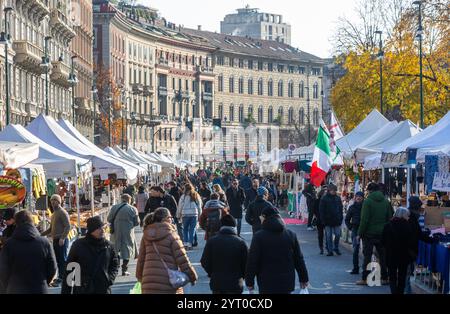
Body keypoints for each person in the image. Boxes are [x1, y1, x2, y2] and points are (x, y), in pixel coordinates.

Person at [245, 207, 309, 294]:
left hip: (266, 282)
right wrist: (303, 278)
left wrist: (249, 281)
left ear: (265, 218)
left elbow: (252, 261)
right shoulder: (290, 235)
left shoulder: (258, 236)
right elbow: (298, 259)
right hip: (286, 282)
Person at [136, 208, 197, 294]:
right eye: (170, 217)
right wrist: (192, 276)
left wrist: (139, 277)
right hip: (168, 282)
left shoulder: (146, 235)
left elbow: (141, 259)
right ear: (165, 219)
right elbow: (182, 258)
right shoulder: (172, 235)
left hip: (148, 283)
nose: (171, 219)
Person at [0, 210, 57, 294]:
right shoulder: (44, 243)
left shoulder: (9, 244)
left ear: (16, 223)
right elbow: (52, 268)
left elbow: (3, 270)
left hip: (15, 289)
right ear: (32, 222)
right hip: (39, 288)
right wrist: (43, 282)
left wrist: (9, 286)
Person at [61, 216, 119, 294]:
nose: (102, 230)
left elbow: (115, 264)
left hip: (102, 288)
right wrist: (66, 291)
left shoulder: (109, 246)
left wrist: (109, 279)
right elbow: (70, 268)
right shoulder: (78, 245)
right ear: (92, 230)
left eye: (103, 228)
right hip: (83, 289)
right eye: (99, 228)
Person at [201, 215, 248, 294]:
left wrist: (212, 273)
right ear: (234, 227)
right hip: (235, 283)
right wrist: (241, 276)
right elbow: (246, 264)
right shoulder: (241, 243)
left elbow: (204, 261)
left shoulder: (212, 241)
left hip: (217, 283)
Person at [357, 183, 393, 286]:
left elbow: (364, 219)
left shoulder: (367, 202)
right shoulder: (386, 202)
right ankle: (385, 278)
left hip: (369, 234)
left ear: (369, 191)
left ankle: (365, 278)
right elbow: (389, 218)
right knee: (383, 256)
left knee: (367, 256)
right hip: (382, 233)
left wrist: (360, 233)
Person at [381, 207, 416, 294]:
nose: (408, 217)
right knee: (402, 277)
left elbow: (382, 241)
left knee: (392, 276)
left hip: (391, 255)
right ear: (404, 215)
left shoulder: (387, 225)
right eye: (407, 216)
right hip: (403, 256)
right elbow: (412, 242)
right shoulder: (408, 226)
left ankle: (393, 292)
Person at [41, 194, 71, 287]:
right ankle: (60, 277)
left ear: (59, 201)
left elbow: (68, 226)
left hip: (61, 240)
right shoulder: (54, 214)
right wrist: (40, 234)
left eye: (55, 200)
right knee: (58, 259)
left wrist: (62, 238)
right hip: (55, 239)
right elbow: (50, 229)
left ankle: (62, 278)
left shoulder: (62, 212)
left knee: (62, 259)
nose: (53, 202)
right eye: (52, 200)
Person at [107, 193, 140, 276]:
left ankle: (116, 268)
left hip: (116, 231)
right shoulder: (133, 209)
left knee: (115, 249)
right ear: (130, 200)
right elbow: (137, 222)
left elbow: (109, 219)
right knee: (127, 249)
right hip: (128, 231)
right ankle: (124, 269)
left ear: (121, 199)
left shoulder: (114, 207)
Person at [319, 184, 344, 256]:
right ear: (329, 190)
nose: (334, 192)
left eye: (335, 190)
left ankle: (336, 247)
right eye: (333, 190)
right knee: (328, 236)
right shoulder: (324, 198)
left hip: (336, 220)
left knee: (338, 234)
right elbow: (321, 210)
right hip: (327, 220)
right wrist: (323, 220)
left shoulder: (338, 198)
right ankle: (330, 250)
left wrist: (340, 217)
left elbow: (340, 208)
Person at [177, 184, 202, 250]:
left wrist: (178, 215)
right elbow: (199, 206)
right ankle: (190, 244)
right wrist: (200, 214)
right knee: (192, 229)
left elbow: (180, 206)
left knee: (185, 229)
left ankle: (185, 244)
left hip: (185, 214)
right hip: (194, 214)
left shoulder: (183, 196)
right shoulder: (196, 195)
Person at [345, 191, 364, 274]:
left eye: (360, 196)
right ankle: (355, 268)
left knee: (366, 250)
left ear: (363, 198)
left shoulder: (366, 206)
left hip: (364, 229)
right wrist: (351, 227)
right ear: (355, 197)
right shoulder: (352, 207)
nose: (359, 198)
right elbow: (347, 219)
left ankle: (365, 268)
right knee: (356, 249)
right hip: (355, 229)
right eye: (357, 196)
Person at [313, 186, 327, 255]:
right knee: (320, 234)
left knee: (327, 234)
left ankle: (327, 247)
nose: (325, 194)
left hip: (327, 220)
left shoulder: (328, 200)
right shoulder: (317, 201)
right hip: (319, 219)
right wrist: (317, 216)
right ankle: (321, 247)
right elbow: (314, 210)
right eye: (324, 192)